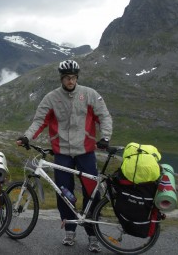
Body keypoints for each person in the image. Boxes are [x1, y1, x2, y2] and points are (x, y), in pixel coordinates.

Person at [16, 60, 112, 253]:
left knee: (91, 192)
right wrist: (27, 136)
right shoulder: (51, 98)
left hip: (85, 152)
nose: (71, 80)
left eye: (73, 77)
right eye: (67, 77)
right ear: (62, 78)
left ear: (77, 78)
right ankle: (69, 230)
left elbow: (104, 116)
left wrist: (105, 137)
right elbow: (39, 121)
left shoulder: (89, 94)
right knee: (63, 192)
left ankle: (93, 234)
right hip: (62, 154)